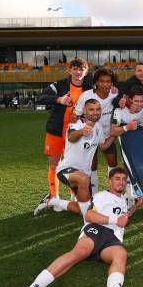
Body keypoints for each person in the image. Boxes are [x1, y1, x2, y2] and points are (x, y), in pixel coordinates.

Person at [6, 168, 143, 287]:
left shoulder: (124, 200)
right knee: (78, 254)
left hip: (113, 239)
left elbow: (123, 217)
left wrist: (137, 206)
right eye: (117, 178)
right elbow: (90, 215)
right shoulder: (102, 196)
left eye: (124, 179)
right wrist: (114, 221)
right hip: (97, 229)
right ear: (109, 182)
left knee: (121, 254)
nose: (121, 182)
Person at [34, 98, 109, 217]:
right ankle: (88, 222)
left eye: (98, 109)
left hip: (83, 175)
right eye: (91, 109)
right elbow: (71, 137)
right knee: (84, 182)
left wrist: (121, 131)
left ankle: (50, 201)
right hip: (66, 170)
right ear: (84, 110)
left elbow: (103, 146)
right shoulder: (76, 125)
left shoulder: (99, 127)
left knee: (82, 208)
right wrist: (82, 131)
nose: (95, 112)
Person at [38, 59, 94, 201]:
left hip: (75, 133)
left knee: (74, 164)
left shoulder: (89, 88)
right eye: (75, 69)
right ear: (69, 70)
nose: (78, 72)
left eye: (81, 69)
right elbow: (42, 97)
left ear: (86, 72)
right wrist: (59, 100)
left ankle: (73, 195)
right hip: (56, 130)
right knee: (54, 163)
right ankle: (54, 195)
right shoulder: (60, 85)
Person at [74, 68, 120, 194]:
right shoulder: (86, 96)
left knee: (113, 162)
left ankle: (113, 192)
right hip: (90, 135)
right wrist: (81, 127)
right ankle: (93, 194)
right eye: (102, 81)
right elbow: (76, 115)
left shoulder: (116, 94)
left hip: (107, 134)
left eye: (108, 81)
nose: (105, 84)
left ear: (112, 83)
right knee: (92, 165)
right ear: (96, 82)